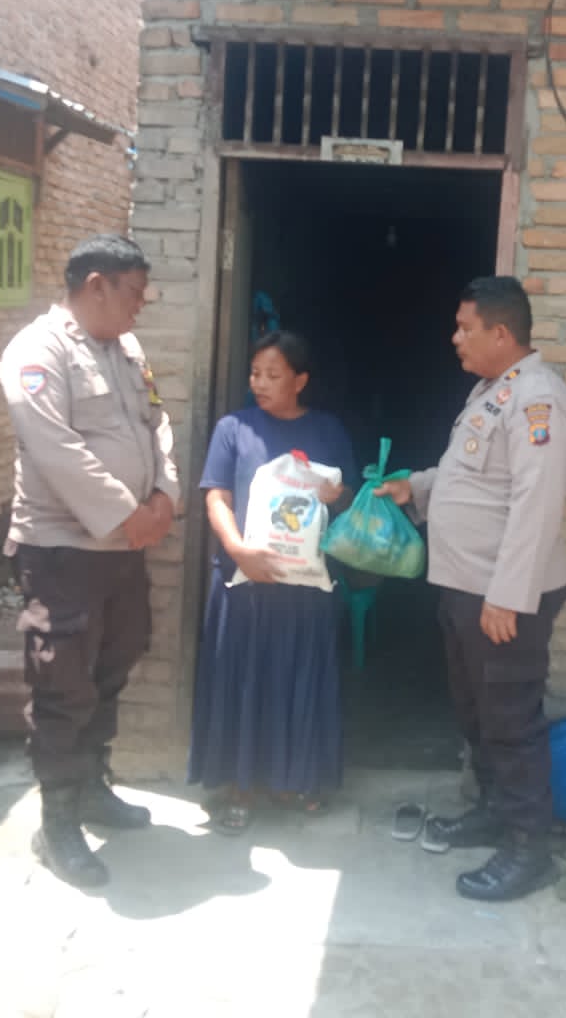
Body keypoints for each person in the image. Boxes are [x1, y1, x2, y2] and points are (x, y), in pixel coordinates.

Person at [376, 276, 566, 902]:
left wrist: (507, 596)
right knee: (478, 714)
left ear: (501, 332)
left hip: (502, 598)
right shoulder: (492, 392)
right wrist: (417, 487)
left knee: (510, 721)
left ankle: (528, 852)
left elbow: (537, 503)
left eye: (466, 328)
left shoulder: (538, 399)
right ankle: (494, 813)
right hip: (467, 587)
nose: (455, 338)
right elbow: (471, 476)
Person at [0, 233, 179, 889]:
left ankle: (94, 786)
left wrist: (164, 495)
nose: (141, 305)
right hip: (63, 553)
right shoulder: (37, 351)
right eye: (134, 292)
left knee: (113, 665)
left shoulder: (127, 351)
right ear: (96, 285)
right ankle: (59, 823)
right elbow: (54, 448)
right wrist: (127, 515)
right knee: (62, 686)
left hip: (121, 552)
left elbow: (158, 426)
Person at [189, 331, 355, 833]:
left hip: (305, 587)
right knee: (244, 682)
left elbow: (348, 498)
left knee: (297, 680)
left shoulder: (327, 430)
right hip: (246, 584)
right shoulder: (234, 428)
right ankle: (239, 787)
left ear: (300, 380)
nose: (259, 383)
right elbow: (216, 496)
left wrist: (338, 495)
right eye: (255, 373)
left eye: (273, 375)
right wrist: (237, 549)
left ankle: (294, 780)